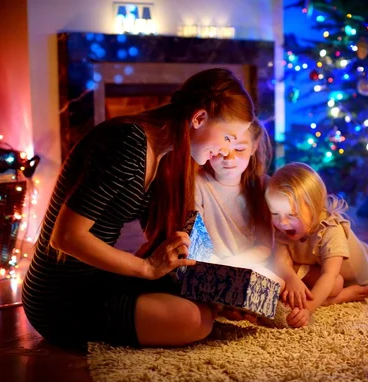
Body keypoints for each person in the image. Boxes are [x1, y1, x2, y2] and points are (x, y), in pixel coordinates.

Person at [22, 68, 257, 348]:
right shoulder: (127, 142)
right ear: (198, 118)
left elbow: (165, 237)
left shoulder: (165, 153)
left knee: (206, 310)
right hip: (62, 295)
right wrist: (146, 268)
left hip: (98, 276)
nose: (226, 151)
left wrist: (217, 287)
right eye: (228, 137)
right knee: (193, 321)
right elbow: (65, 237)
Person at [265, 162, 368, 328]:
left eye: (291, 214)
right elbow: (281, 260)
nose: (282, 221)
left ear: (315, 207)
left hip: (364, 270)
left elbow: (328, 275)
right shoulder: (284, 229)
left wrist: (308, 309)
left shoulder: (331, 230)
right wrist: (290, 278)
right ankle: (337, 294)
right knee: (289, 272)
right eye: (275, 213)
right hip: (330, 274)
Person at [194, 118, 273, 268]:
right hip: (210, 268)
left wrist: (232, 264)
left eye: (239, 149)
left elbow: (265, 246)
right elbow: (196, 244)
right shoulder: (197, 185)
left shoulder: (263, 187)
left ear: (254, 147)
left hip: (250, 266)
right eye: (221, 149)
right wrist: (220, 268)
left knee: (279, 284)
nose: (229, 159)